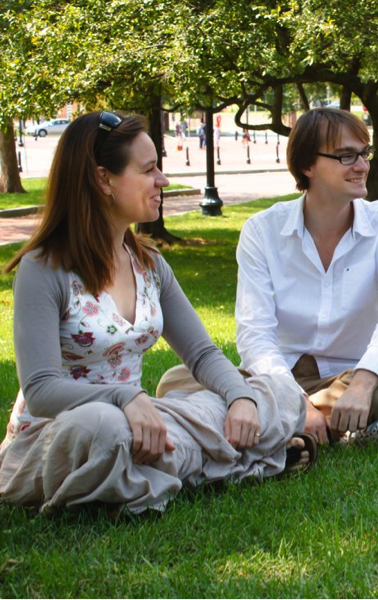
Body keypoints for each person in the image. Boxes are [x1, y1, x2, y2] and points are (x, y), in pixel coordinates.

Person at [0, 111, 313, 514]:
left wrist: (240, 399)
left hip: (145, 428)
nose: (162, 180)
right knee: (106, 430)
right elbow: (42, 391)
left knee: (278, 392)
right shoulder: (44, 269)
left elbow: (201, 355)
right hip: (64, 434)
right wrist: (124, 397)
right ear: (102, 179)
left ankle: (152, 479)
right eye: (148, 170)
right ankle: (241, 460)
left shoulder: (148, 263)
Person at [157, 108, 378, 447]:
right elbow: (255, 335)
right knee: (175, 382)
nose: (362, 165)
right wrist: (295, 401)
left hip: (346, 378)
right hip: (272, 379)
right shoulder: (263, 231)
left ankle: (265, 429)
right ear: (307, 165)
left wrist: (362, 383)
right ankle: (322, 430)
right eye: (346, 156)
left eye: (364, 153)